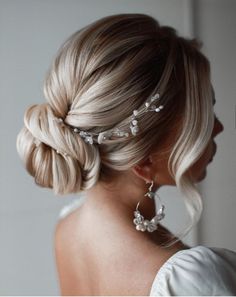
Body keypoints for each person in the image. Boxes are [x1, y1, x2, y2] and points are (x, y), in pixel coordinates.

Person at [16, 13, 236, 296]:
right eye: (203, 117)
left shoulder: (68, 228)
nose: (218, 127)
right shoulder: (190, 282)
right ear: (144, 160)